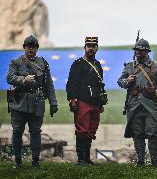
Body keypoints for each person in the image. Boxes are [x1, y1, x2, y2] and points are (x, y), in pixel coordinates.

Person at [6, 35, 58, 168]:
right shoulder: (15, 62)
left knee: (35, 132)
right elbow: (9, 77)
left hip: (37, 103)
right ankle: (17, 161)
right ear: (24, 47)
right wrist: (23, 79)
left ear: (37, 48)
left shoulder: (43, 63)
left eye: (33, 47)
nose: (31, 49)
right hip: (19, 103)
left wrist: (53, 102)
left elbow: (49, 85)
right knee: (17, 132)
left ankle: (36, 161)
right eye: (28, 47)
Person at [117, 38, 157, 167]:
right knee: (137, 134)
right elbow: (120, 82)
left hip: (151, 106)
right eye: (136, 49)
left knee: (152, 133)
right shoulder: (129, 66)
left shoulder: (156, 67)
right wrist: (127, 80)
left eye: (140, 50)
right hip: (134, 105)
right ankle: (140, 161)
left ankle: (155, 161)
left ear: (146, 51)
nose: (138, 52)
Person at [66, 36, 108, 165]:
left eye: (93, 46)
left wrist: (101, 102)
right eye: (88, 46)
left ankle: (86, 158)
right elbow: (71, 83)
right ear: (85, 47)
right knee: (82, 130)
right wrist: (72, 99)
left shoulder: (98, 64)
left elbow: (100, 85)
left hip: (95, 101)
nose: (91, 48)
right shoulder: (78, 63)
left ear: (97, 48)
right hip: (82, 100)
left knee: (91, 130)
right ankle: (80, 159)